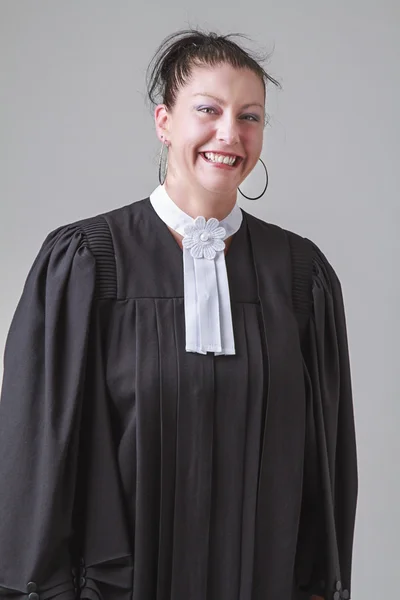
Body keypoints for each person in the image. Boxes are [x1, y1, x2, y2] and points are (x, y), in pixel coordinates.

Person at [0, 29, 357, 600]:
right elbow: (35, 464)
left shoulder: (300, 276)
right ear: (164, 121)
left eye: (250, 116)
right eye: (208, 110)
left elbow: (325, 468)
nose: (230, 133)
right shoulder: (87, 264)